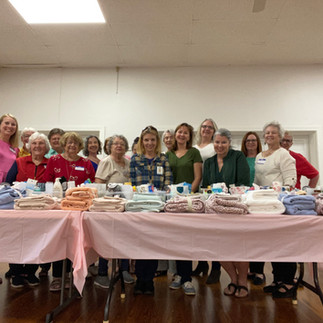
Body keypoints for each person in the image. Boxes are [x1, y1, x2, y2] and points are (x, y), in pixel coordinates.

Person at [43, 131, 95, 292]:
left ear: (80, 146)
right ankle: (57, 276)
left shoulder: (86, 163)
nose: (72, 145)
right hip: (59, 207)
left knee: (75, 240)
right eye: (68, 142)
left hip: (79, 208)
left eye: (75, 143)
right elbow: (47, 182)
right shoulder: (54, 160)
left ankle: (71, 275)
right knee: (59, 240)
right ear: (64, 144)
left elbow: (92, 183)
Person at [203, 128, 250, 298]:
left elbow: (244, 183)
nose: (220, 145)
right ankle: (233, 278)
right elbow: (206, 187)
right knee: (219, 246)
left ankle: (243, 281)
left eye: (223, 142)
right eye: (217, 142)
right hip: (216, 211)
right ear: (213, 143)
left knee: (239, 246)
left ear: (229, 143)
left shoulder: (238, 157)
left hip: (235, 209)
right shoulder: (208, 162)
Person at [254, 121, 297, 299]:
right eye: (267, 133)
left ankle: (288, 281)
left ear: (279, 136)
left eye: (273, 133)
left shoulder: (284, 154)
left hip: (280, 204)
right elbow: (257, 179)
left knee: (283, 242)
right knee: (271, 242)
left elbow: (290, 180)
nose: (270, 135)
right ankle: (277, 279)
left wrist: (280, 194)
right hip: (264, 205)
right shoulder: (259, 156)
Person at [130, 126, 172, 295]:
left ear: (157, 142)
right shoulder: (135, 159)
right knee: (140, 242)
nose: (149, 143)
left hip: (157, 206)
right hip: (140, 206)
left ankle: (150, 281)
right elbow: (132, 184)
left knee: (152, 243)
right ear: (142, 141)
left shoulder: (163, 159)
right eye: (146, 140)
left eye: (152, 140)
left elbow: (168, 183)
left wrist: (165, 195)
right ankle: (140, 279)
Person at [6, 132, 50, 288]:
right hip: (19, 207)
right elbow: (8, 183)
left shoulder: (50, 163)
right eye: (34, 143)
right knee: (16, 238)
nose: (37, 146)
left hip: (40, 208)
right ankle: (16, 271)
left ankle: (31, 271)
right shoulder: (19, 162)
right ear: (29, 146)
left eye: (41, 143)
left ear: (46, 147)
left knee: (36, 239)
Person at [166, 122, 202, 296]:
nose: (181, 135)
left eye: (185, 133)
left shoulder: (194, 152)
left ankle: (187, 277)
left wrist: (188, 195)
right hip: (172, 202)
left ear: (189, 136)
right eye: (179, 132)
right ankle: (178, 275)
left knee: (188, 238)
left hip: (188, 201)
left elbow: (198, 177)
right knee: (175, 238)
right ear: (175, 134)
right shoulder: (168, 154)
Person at [94, 135, 134, 288]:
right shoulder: (106, 162)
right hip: (109, 207)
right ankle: (102, 273)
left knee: (124, 238)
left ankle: (124, 269)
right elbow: (99, 186)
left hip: (125, 207)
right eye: (116, 143)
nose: (119, 146)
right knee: (107, 239)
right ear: (109, 147)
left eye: (122, 144)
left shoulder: (128, 163)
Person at [192, 118, 220, 283]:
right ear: (199, 129)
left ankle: (216, 267)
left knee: (214, 231)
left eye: (210, 127)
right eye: (204, 126)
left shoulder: (215, 146)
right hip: (196, 191)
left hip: (211, 190)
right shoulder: (193, 148)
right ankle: (202, 263)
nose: (206, 129)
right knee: (198, 230)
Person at [241, 131, 265, 285]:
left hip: (260, 199)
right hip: (243, 199)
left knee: (259, 236)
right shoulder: (240, 159)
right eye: (248, 140)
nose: (250, 143)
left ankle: (259, 270)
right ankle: (248, 267)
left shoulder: (263, 157)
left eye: (254, 140)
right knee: (246, 235)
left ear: (258, 142)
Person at [0, 114, 19, 184]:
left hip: (8, 182)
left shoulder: (15, 148)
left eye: (13, 124)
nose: (10, 126)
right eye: (7, 123)